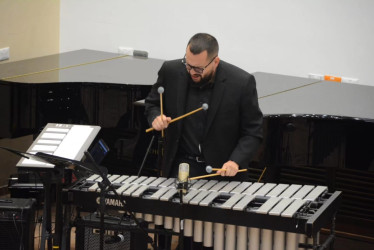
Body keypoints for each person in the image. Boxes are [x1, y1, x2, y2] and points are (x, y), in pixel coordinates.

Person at [145, 33, 263, 181]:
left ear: (215, 61)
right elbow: (152, 104)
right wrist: (156, 117)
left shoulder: (241, 83)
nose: (192, 72)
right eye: (188, 65)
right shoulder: (171, 71)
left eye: (199, 69)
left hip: (222, 172)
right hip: (181, 166)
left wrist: (235, 161)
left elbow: (253, 132)